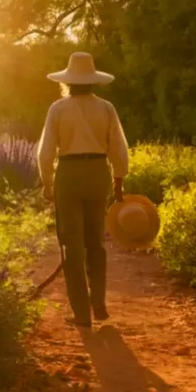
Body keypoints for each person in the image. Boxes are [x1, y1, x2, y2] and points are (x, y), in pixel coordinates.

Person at [37, 52, 130, 328]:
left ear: (68, 81)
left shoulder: (58, 109)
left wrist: (46, 183)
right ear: (92, 81)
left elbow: (45, 152)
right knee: (96, 242)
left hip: (69, 173)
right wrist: (119, 180)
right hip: (98, 173)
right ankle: (98, 301)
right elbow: (118, 147)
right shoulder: (106, 108)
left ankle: (81, 313)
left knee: (72, 245)